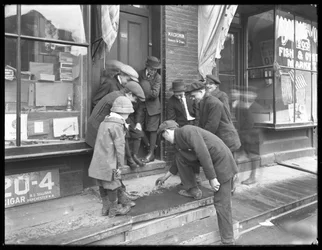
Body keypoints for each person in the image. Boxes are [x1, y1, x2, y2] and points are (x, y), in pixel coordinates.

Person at [155, 120, 237, 245]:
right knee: (180, 157)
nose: (165, 140)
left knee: (221, 203)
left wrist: (212, 178)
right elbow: (177, 162)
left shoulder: (188, 131)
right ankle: (192, 188)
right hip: (215, 163)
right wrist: (164, 177)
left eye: (164, 137)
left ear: (166, 132)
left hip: (222, 163)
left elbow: (203, 153)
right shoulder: (179, 140)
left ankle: (228, 240)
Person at [186, 80, 241, 194]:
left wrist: (199, 140)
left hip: (226, 139)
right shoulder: (202, 102)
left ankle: (228, 190)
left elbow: (212, 126)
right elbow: (201, 122)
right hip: (218, 138)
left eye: (194, 95)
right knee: (224, 166)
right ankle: (227, 187)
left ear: (201, 92)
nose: (192, 98)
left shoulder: (213, 103)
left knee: (227, 167)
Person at [88, 96, 135, 217]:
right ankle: (113, 210)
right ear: (123, 113)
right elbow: (120, 148)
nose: (128, 116)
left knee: (102, 185)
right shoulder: (117, 126)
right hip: (110, 162)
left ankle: (105, 208)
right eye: (128, 113)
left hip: (98, 161)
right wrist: (120, 165)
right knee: (112, 186)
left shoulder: (104, 122)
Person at [85, 81, 145, 170]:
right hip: (97, 132)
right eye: (135, 99)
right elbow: (120, 134)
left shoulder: (117, 95)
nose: (135, 102)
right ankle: (126, 164)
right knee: (108, 161)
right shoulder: (119, 101)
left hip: (99, 128)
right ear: (129, 94)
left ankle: (129, 160)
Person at [166, 79, 201, 184]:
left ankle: (196, 174)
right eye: (176, 94)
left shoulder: (191, 97)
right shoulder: (171, 101)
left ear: (184, 91)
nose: (178, 96)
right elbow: (171, 119)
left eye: (180, 93)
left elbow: (198, 112)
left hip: (194, 125)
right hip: (181, 128)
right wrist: (178, 132)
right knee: (182, 151)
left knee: (195, 150)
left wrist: (197, 126)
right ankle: (185, 175)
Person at [232, 86, 263, 185]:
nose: (248, 95)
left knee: (253, 157)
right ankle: (235, 177)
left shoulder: (258, 108)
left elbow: (258, 124)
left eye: (251, 93)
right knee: (235, 157)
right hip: (241, 136)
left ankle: (252, 177)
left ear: (255, 95)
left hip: (253, 137)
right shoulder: (240, 107)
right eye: (246, 93)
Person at [138, 56, 162, 163]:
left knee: (152, 130)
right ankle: (149, 146)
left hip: (153, 108)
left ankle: (151, 154)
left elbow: (155, 94)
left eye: (155, 69)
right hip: (140, 107)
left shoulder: (158, 77)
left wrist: (144, 87)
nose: (153, 71)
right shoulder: (139, 74)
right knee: (137, 127)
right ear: (146, 66)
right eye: (152, 69)